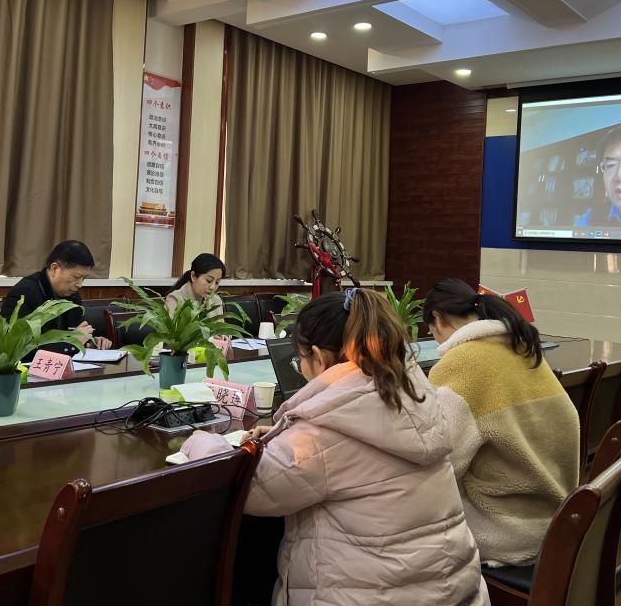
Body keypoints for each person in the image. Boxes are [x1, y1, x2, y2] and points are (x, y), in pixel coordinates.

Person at [181, 289, 489, 606]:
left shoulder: (326, 432)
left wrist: (201, 440)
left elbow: (251, 488)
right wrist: (287, 434)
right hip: (454, 592)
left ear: (318, 356)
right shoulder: (414, 395)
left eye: (299, 360)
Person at [423, 279, 579, 566]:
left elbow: (444, 464)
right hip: (557, 517)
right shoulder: (522, 347)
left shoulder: (461, 362)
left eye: (431, 331)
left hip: (508, 531)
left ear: (437, 318)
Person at [0, 240, 111, 355]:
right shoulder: (24, 293)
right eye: (76, 277)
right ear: (54, 269)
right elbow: (17, 348)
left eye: (84, 278)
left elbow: (75, 333)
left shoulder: (72, 296)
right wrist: (71, 344)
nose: (80, 284)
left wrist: (91, 341)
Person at [165, 253, 224, 318]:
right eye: (208, 280)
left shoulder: (216, 300)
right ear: (193, 276)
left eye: (217, 282)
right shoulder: (175, 299)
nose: (212, 287)